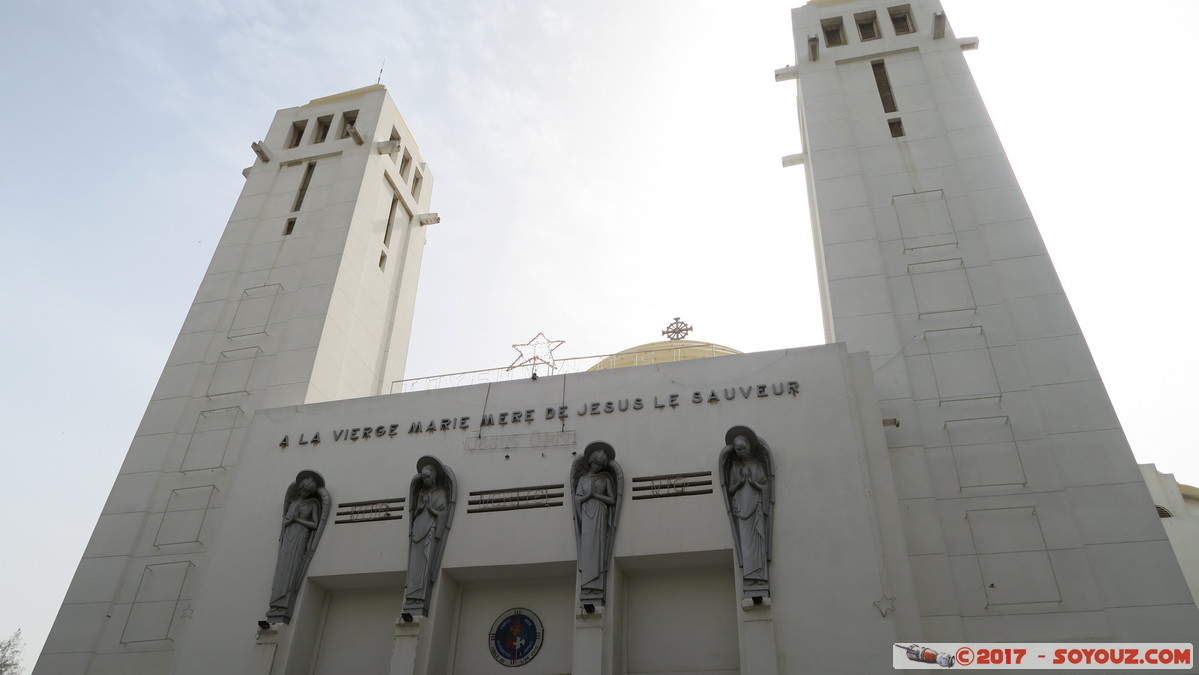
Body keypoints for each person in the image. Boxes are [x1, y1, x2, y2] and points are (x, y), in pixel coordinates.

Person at [266, 470, 330, 623]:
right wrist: (291, 520)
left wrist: (298, 520)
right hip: (289, 537)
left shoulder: (313, 504)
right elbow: (286, 521)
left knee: (292, 567)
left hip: (301, 536)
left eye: (308, 491)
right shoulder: (293, 503)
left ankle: (284, 602)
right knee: (282, 566)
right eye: (303, 490)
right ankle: (276, 603)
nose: (305, 493)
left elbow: (315, 524)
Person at [719, 426, 773, 594]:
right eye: (737, 449)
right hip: (742, 509)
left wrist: (755, 483)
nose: (741, 451)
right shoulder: (735, 466)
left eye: (743, 448)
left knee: (758, 538)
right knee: (747, 542)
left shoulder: (757, 464)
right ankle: (750, 574)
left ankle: (760, 574)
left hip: (755, 506)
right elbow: (730, 488)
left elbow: (764, 485)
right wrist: (740, 483)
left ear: (749, 446)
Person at [572, 441, 623, 603]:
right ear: (591, 462)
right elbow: (578, 499)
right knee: (587, 548)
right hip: (587, 516)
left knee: (598, 547)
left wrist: (596, 495)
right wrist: (589, 495)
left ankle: (597, 584)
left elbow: (612, 499)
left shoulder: (606, 478)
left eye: (601, 465)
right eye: (595, 463)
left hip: (601, 513)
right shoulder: (583, 479)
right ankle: (587, 584)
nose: (597, 467)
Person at [404, 456, 455, 614]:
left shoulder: (440, 491)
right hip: (419, 528)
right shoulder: (421, 491)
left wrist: (431, 509)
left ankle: (421, 592)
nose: (425, 480)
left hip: (431, 528)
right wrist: (421, 506)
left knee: (426, 559)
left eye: (428, 476)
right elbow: (416, 512)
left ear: (433, 476)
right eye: (423, 477)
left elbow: (443, 512)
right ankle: (412, 594)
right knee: (415, 560)